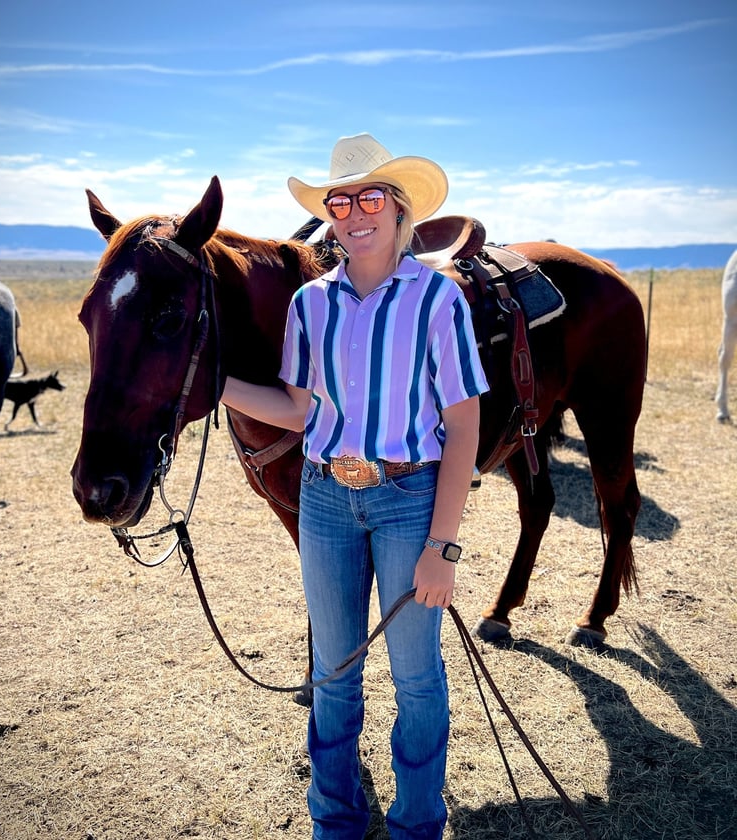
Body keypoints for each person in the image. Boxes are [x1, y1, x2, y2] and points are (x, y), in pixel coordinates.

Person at [220, 133, 488, 839]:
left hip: (409, 501)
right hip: (324, 500)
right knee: (334, 673)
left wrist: (444, 546)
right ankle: (334, 822)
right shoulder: (311, 304)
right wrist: (216, 383)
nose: (353, 213)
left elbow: (463, 428)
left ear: (400, 212)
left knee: (416, 677)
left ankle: (416, 824)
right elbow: (299, 411)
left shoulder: (438, 300)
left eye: (370, 198)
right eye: (340, 201)